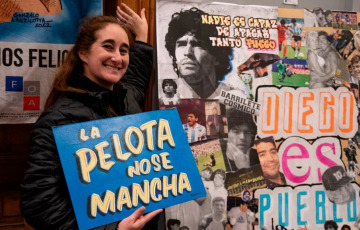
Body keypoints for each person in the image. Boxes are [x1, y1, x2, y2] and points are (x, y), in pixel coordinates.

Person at [20, 4, 162, 230]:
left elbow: (135, 79)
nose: (117, 58)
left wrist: (142, 36)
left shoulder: (126, 98)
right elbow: (39, 205)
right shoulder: (58, 119)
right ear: (83, 53)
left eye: (123, 50)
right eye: (108, 47)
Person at [165, 7, 233, 99]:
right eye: (181, 44)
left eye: (197, 45)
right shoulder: (169, 100)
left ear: (217, 56)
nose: (187, 52)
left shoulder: (236, 100)